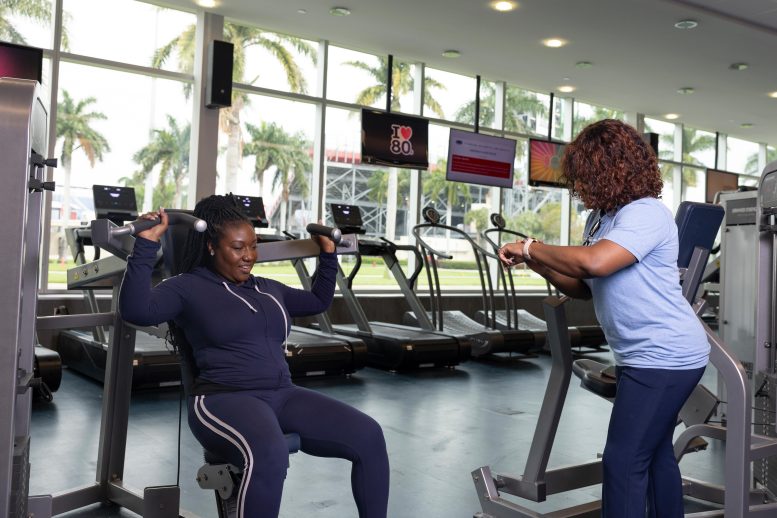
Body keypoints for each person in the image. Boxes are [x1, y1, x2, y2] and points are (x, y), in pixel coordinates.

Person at [119, 194, 390, 518]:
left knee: (369, 436)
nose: (248, 256)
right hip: (222, 399)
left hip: (282, 394)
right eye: (238, 248)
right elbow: (136, 310)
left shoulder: (267, 288)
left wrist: (329, 254)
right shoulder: (186, 287)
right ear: (211, 247)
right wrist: (146, 244)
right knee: (269, 453)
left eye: (253, 246)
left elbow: (318, 301)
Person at [497, 119, 708, 518]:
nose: (579, 186)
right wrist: (537, 263)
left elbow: (596, 262)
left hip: (665, 357)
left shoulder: (646, 212)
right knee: (654, 454)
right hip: (640, 357)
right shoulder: (601, 218)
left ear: (611, 169)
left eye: (585, 175)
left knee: (623, 461)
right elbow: (584, 285)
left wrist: (530, 247)